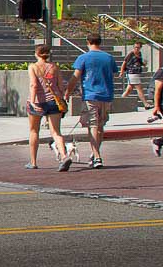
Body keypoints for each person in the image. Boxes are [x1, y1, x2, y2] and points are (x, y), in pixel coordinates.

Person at [69, 35, 118, 168]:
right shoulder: (108, 58)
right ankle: (95, 153)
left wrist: (67, 92)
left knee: (93, 126)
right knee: (100, 126)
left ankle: (97, 156)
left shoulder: (83, 58)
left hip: (91, 95)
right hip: (106, 95)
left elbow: (75, 77)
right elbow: (113, 74)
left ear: (88, 42)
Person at [25, 45, 71, 170]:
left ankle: (33, 161)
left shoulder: (33, 67)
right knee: (56, 132)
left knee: (34, 130)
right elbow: (60, 85)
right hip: (53, 101)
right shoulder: (54, 67)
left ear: (36, 54)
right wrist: (61, 98)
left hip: (38, 101)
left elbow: (33, 85)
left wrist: (33, 101)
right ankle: (64, 156)